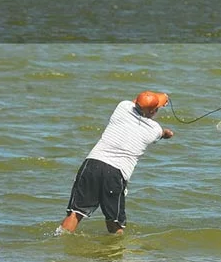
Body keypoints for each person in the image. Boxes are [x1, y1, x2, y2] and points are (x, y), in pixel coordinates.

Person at [58, 91, 174, 235]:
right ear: (153, 111)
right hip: (115, 173)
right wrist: (167, 133)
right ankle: (116, 254)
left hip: (92, 164)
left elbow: (137, 101)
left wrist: (157, 98)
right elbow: (162, 133)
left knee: (75, 213)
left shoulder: (123, 107)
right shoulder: (154, 130)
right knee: (115, 222)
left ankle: (58, 241)